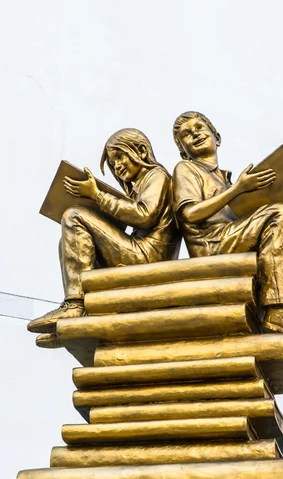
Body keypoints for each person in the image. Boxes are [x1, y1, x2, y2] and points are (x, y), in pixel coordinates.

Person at [172, 110, 283, 363]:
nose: (195, 134)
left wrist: (248, 193)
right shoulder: (186, 169)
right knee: (277, 212)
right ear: (182, 151)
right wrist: (239, 190)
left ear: (216, 137)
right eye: (186, 135)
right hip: (212, 244)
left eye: (200, 127)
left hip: (233, 238)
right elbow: (189, 214)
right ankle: (280, 311)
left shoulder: (226, 180)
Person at [28, 128, 181, 338]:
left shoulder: (158, 176)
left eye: (120, 157)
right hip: (139, 252)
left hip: (147, 256)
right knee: (69, 241)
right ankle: (84, 318)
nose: (117, 166)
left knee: (74, 216)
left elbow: (145, 215)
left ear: (142, 151)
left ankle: (75, 306)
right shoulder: (142, 185)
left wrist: (97, 196)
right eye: (112, 163)